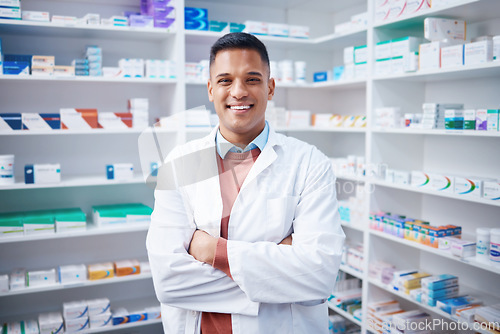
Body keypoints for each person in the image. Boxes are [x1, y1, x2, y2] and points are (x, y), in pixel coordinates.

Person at [146, 32, 345, 334]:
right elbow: (168, 281)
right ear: (211, 90)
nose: (238, 92)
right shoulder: (179, 163)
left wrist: (212, 251)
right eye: (225, 80)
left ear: (270, 86)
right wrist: (276, 275)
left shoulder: (309, 163)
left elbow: (319, 276)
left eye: (252, 79)